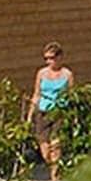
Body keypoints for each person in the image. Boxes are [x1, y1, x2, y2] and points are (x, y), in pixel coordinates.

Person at [26, 41, 73, 172]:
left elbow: (71, 95)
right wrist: (30, 115)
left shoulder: (67, 74)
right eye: (46, 58)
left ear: (59, 57)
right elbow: (37, 93)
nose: (48, 61)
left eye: (51, 58)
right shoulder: (41, 73)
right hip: (43, 112)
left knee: (56, 146)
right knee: (45, 150)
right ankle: (53, 166)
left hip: (59, 112)